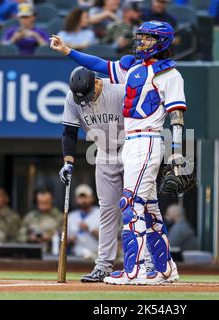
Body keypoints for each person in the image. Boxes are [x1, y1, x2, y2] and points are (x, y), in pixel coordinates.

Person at [51, 20, 185, 285]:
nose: (141, 42)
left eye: (147, 38)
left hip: (145, 138)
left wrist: (178, 152)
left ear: (161, 42)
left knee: (129, 204)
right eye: (142, 37)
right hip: (129, 145)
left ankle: (135, 270)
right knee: (149, 207)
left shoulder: (171, 75)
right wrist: (68, 51)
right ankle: (164, 267)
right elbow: (100, 65)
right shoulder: (133, 67)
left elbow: (177, 116)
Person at [57, 65, 125, 282]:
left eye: (87, 95)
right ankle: (103, 266)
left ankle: (144, 263)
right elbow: (69, 132)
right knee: (107, 210)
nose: (85, 101)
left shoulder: (119, 90)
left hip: (130, 148)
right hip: (103, 152)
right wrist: (68, 162)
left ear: (97, 82)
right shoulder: (72, 98)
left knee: (137, 206)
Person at [67, 185, 101, 260]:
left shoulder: (101, 213)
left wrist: (89, 229)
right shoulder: (71, 216)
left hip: (97, 256)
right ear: (76, 199)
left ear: (92, 198)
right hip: (76, 257)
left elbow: (107, 239)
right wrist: (70, 240)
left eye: (86, 197)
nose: (83, 200)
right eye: (80, 197)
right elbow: (65, 242)